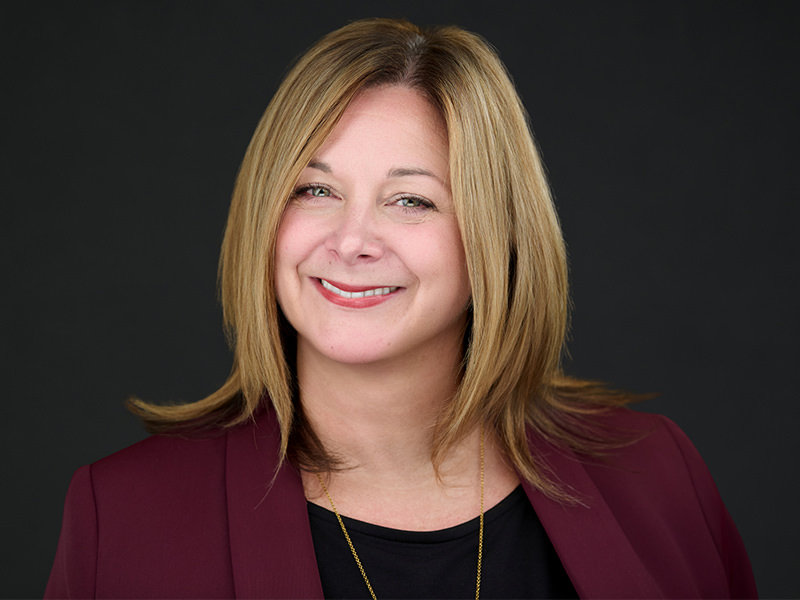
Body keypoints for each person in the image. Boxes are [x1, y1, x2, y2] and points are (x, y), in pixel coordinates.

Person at [45, 18, 757, 599]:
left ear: (495, 239)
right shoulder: (125, 517)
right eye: (314, 190)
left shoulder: (658, 474)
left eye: (410, 199)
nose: (351, 240)